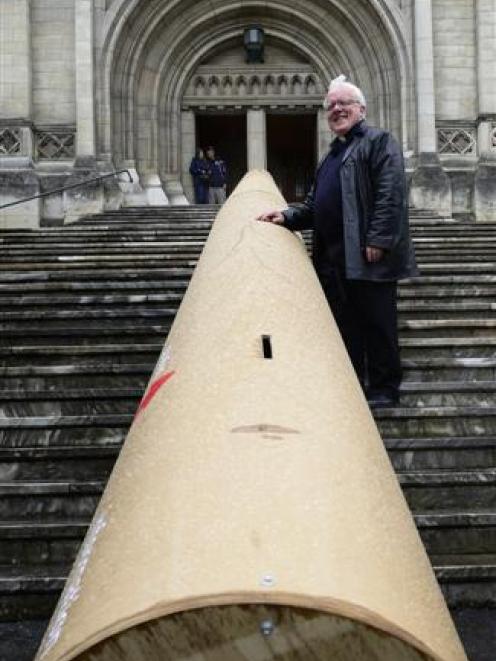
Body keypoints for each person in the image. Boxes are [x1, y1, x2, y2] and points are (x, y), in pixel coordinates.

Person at [257, 76, 418, 408]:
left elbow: (390, 195)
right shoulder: (331, 156)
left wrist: (378, 239)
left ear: (361, 108)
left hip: (368, 256)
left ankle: (385, 390)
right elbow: (317, 205)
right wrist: (287, 217)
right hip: (335, 262)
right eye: (330, 105)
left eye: (344, 103)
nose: (336, 109)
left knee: (378, 325)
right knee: (348, 329)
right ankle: (355, 390)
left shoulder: (379, 141)